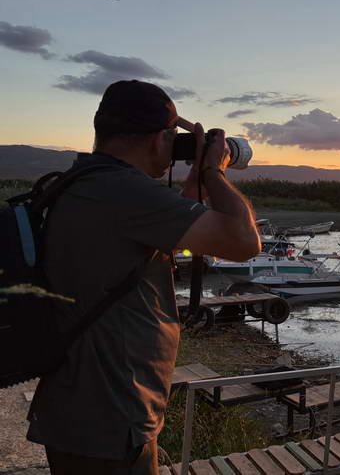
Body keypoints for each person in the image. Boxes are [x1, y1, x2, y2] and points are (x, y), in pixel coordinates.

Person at [26, 80, 261, 474]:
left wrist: (194, 182)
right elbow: (243, 242)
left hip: (89, 413)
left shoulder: (91, 183)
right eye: (172, 137)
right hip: (109, 419)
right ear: (159, 139)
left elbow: (174, 230)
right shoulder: (121, 190)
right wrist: (214, 172)